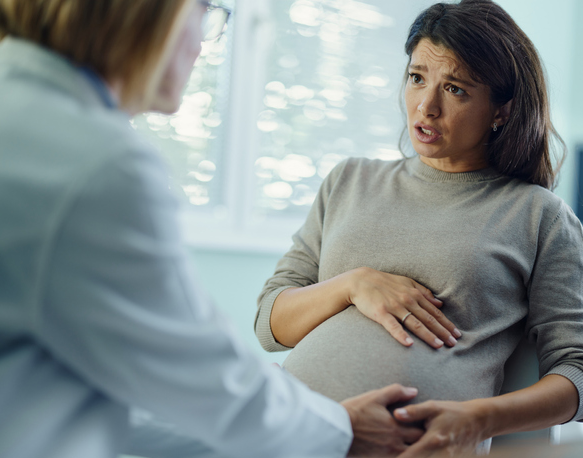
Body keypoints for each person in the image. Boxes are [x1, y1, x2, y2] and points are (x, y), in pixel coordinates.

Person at [0, 1, 426, 457]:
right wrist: (340, 428)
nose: (204, 41)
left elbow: (117, 399)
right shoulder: (94, 162)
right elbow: (205, 380)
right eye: (202, 11)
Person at [255, 0, 583, 455]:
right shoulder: (349, 180)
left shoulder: (539, 217)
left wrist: (478, 419)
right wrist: (354, 285)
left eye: (456, 89)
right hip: (290, 433)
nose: (426, 106)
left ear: (500, 110)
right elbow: (270, 325)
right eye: (416, 77)